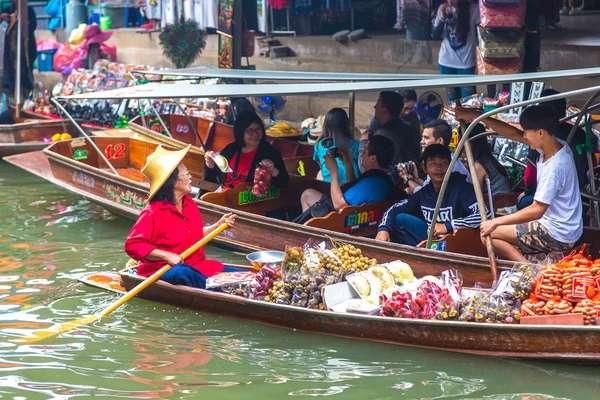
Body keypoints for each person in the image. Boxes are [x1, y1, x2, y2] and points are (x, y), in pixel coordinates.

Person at [475, 105, 583, 261]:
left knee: (489, 234)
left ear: (540, 133)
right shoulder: (555, 145)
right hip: (563, 227)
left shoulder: (554, 166)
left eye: (526, 131)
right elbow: (513, 133)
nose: (524, 136)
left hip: (557, 233)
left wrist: (495, 221)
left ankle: (528, 269)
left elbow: (537, 210)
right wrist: (479, 116)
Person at [125, 144, 240, 289]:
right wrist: (166, 256)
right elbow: (133, 245)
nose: (190, 177)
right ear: (173, 182)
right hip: (164, 269)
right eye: (186, 174)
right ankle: (219, 287)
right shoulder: (152, 212)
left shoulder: (190, 204)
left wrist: (218, 225)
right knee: (182, 273)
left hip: (197, 266)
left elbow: (195, 236)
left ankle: (226, 285)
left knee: (243, 274)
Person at [376, 144, 485, 246]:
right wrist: (383, 229)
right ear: (424, 168)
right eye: (433, 164)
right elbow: (395, 209)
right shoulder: (425, 192)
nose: (439, 168)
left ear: (450, 166)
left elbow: (483, 216)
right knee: (400, 219)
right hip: (434, 241)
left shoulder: (462, 188)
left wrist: (448, 226)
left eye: (444, 163)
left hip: (459, 244)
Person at [297, 136, 397, 221]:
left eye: (364, 152)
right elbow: (353, 190)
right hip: (355, 218)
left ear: (373, 158)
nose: (361, 154)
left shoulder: (371, 184)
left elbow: (338, 205)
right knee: (308, 193)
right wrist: (348, 164)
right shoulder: (386, 176)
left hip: (340, 221)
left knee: (307, 195)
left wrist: (333, 171)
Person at [205, 111, 289, 189]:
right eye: (250, 131)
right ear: (241, 132)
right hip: (225, 196)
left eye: (258, 129)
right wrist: (210, 165)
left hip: (250, 201)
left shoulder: (271, 153)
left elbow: (284, 184)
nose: (255, 134)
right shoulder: (231, 149)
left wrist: (272, 170)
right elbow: (212, 180)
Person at [399, 119, 471, 195]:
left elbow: (427, 195)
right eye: (422, 137)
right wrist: (415, 177)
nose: (421, 142)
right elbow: (428, 188)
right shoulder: (446, 159)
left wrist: (407, 179)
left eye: (426, 138)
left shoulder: (448, 165)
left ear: (440, 141)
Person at [432, 0, 479, 102]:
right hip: (446, 62)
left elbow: (479, 37)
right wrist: (442, 18)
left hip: (466, 63)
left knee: (469, 101)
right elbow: (435, 36)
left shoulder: (474, 10)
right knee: (452, 101)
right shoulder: (443, 8)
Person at [362, 91, 420, 166]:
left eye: (378, 104)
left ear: (385, 110)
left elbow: (368, 164)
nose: (375, 107)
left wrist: (362, 143)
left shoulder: (381, 135)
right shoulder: (408, 128)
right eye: (405, 109)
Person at [312, 108, 360, 184]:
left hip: (328, 185)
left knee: (320, 173)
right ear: (346, 124)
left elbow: (321, 165)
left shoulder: (319, 144)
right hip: (351, 184)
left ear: (326, 124)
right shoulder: (355, 144)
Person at [1, 0, 36, 98]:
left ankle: (27, 94)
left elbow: (32, 26)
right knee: (10, 73)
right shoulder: (7, 10)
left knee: (25, 72)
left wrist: (22, 20)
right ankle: (11, 96)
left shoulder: (29, 11)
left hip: (26, 49)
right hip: (11, 50)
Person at [469, 123, 511, 196]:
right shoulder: (487, 158)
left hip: (497, 202)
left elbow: (477, 195)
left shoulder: (479, 165)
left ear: (470, 142)